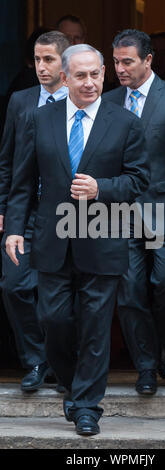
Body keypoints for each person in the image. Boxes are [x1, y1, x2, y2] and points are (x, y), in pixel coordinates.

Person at [5, 44, 149, 435]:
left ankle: (87, 406)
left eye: (96, 74)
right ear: (65, 78)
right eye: (80, 76)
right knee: (54, 319)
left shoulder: (125, 122)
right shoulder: (40, 119)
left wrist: (100, 187)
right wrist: (15, 229)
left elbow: (139, 181)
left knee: (96, 325)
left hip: (103, 233)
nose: (90, 83)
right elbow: (22, 182)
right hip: (52, 237)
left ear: (104, 73)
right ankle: (71, 382)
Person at [103, 29, 165, 395]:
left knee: (164, 286)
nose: (120, 69)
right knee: (128, 291)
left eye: (127, 61)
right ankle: (146, 365)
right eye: (115, 61)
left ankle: (163, 344)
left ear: (148, 60)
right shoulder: (109, 100)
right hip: (119, 212)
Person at [0, 31, 70, 392]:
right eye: (37, 59)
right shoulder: (21, 102)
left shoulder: (82, 100)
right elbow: (7, 161)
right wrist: (3, 209)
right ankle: (35, 360)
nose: (41, 67)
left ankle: (60, 363)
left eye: (49, 60)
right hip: (25, 212)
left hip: (67, 216)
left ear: (65, 63)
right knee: (14, 286)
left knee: (57, 298)